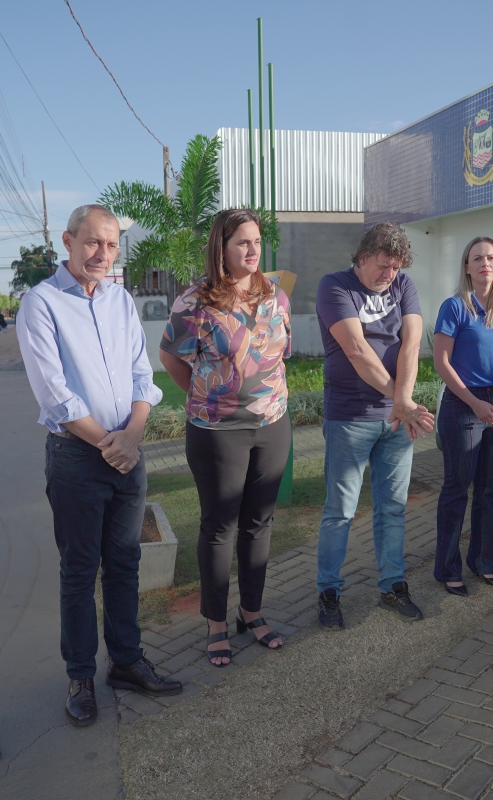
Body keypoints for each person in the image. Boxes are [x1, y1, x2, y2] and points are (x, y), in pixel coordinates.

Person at [16, 204, 181, 729]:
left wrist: (132, 436)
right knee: (80, 570)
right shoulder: (40, 303)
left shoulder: (120, 300)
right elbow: (54, 393)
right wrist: (111, 444)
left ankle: (127, 663)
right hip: (77, 458)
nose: (102, 254)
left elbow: (141, 374)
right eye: (92, 242)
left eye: (111, 245)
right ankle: (81, 676)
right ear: (68, 242)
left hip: (127, 452)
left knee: (125, 563)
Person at [159, 208, 291, 667]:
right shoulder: (195, 300)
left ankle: (250, 613)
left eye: (256, 241)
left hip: (272, 425)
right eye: (242, 242)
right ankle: (216, 623)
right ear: (222, 246)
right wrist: (209, 398)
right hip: (217, 433)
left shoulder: (275, 294)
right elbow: (171, 357)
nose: (252, 250)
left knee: (260, 523)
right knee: (219, 528)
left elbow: (280, 355)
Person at [314, 222, 435, 628]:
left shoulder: (403, 285)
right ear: (362, 256)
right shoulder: (335, 286)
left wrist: (402, 403)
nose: (389, 274)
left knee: (393, 509)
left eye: (396, 267)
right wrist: (402, 401)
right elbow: (356, 350)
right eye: (383, 265)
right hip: (350, 419)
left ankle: (393, 585)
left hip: (396, 421)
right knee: (340, 511)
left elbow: (412, 344)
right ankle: (329, 592)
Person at [432, 237, 493, 595]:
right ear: (467, 267)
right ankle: (448, 569)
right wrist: (474, 403)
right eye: (478, 258)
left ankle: (484, 562)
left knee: (488, 490)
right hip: (464, 405)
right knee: (457, 489)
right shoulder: (455, 307)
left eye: (491, 258)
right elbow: (442, 363)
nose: (485, 263)